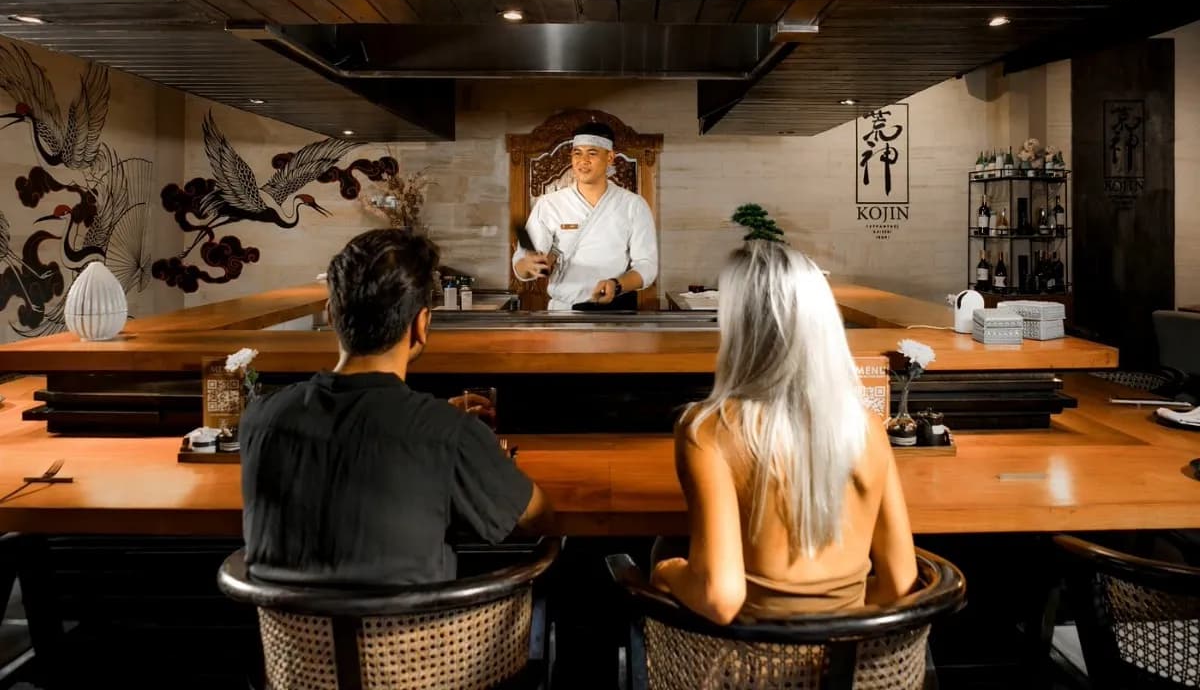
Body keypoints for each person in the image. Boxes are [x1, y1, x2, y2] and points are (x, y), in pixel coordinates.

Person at [240, 229, 553, 585]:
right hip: (423, 639)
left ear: (331, 314)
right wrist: (445, 425)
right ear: (422, 324)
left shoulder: (262, 418)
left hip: (293, 639)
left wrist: (435, 416)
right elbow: (536, 518)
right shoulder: (448, 433)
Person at [650, 241, 917, 624]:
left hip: (743, 671)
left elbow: (720, 599)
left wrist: (666, 572)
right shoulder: (868, 428)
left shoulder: (706, 432)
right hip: (856, 667)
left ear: (740, 328)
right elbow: (900, 583)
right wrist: (834, 616)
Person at [512, 120, 658, 310]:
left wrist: (617, 284)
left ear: (610, 157)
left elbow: (647, 266)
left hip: (614, 313)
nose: (583, 161)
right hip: (564, 313)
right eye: (577, 153)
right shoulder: (549, 204)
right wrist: (528, 265)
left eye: (592, 153)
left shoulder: (633, 205)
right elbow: (521, 266)